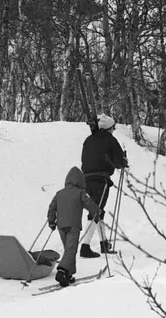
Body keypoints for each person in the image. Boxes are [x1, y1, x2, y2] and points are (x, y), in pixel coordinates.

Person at [79, 113, 128, 257]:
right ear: (109, 128)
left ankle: (104, 243)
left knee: (98, 210)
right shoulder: (110, 140)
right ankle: (85, 246)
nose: (114, 130)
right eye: (113, 128)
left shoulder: (88, 140)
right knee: (96, 211)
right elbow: (119, 161)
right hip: (101, 179)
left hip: (86, 179)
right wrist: (124, 162)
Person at [47, 166, 104, 287]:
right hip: (73, 226)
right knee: (71, 250)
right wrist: (97, 212)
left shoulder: (59, 194)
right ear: (80, 181)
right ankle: (62, 271)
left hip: (61, 226)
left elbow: (52, 208)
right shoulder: (80, 193)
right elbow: (89, 204)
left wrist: (51, 221)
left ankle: (68, 274)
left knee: (69, 250)